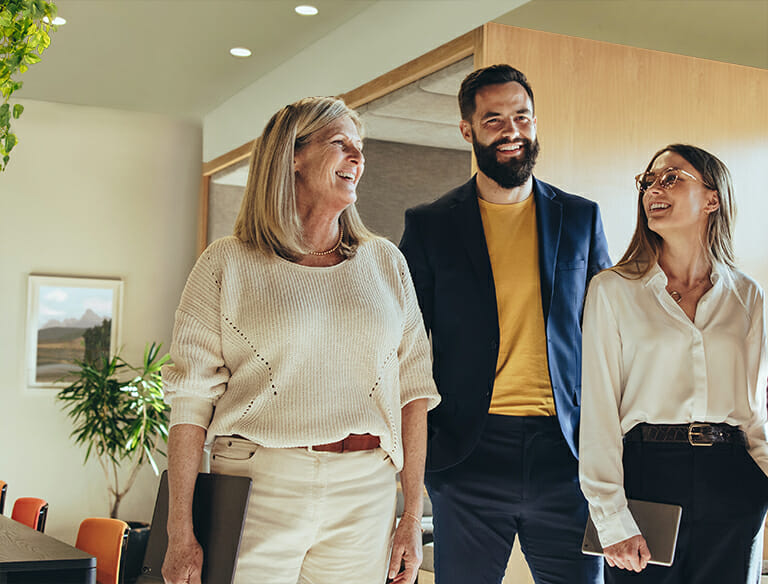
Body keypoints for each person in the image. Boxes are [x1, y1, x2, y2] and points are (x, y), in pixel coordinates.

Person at [160, 96, 440, 584]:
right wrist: (179, 531)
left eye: (360, 148)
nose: (358, 158)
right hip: (256, 484)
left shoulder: (385, 263)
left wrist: (410, 517)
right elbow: (189, 403)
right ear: (294, 154)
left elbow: (415, 392)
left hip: (366, 487)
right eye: (340, 144)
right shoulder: (226, 262)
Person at [399, 64, 610, 584]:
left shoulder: (581, 218)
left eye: (522, 116)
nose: (512, 130)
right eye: (494, 120)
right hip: (468, 454)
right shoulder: (430, 225)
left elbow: (609, 335)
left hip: (566, 455)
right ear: (467, 130)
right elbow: (400, 348)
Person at [579, 144, 768, 583]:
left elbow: (756, 412)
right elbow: (599, 412)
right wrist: (611, 517)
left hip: (732, 480)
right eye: (648, 181)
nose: (653, 189)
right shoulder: (613, 290)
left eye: (671, 178)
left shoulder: (747, 295)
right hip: (646, 476)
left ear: (712, 198)